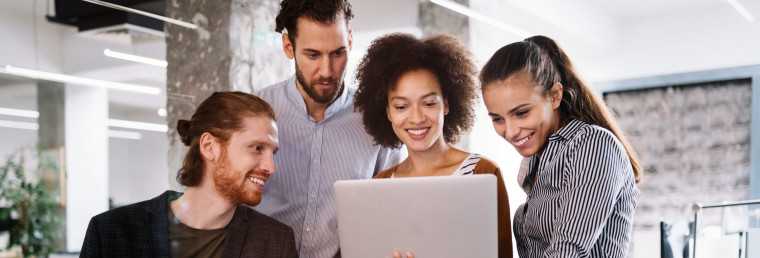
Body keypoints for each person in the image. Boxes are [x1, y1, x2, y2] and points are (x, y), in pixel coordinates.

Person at [254, 0, 406, 257]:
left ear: (349, 41)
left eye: (337, 53)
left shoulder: (378, 120)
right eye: (313, 54)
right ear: (288, 46)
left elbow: (390, 210)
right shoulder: (256, 110)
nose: (327, 71)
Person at [479, 35, 642, 258]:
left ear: (555, 96)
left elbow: (568, 251)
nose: (510, 131)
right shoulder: (536, 160)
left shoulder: (593, 145)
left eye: (521, 113)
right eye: (497, 119)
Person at [80, 92, 297, 258]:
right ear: (209, 146)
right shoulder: (111, 232)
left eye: (273, 152)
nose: (271, 167)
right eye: (257, 148)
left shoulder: (275, 242)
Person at [353, 33, 512, 258]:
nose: (416, 118)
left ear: (446, 104)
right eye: (401, 106)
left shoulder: (482, 173)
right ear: (387, 112)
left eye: (428, 103)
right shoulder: (379, 187)